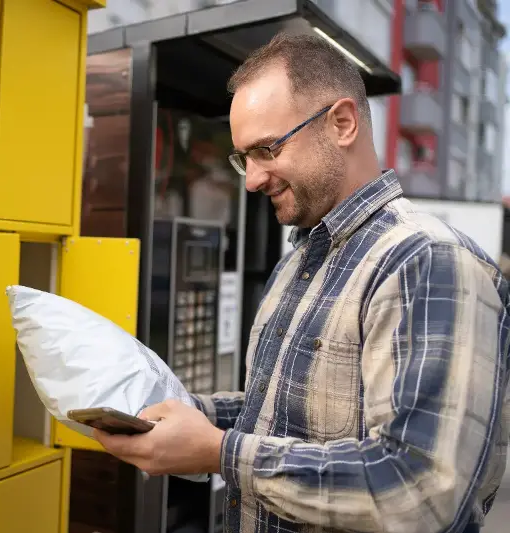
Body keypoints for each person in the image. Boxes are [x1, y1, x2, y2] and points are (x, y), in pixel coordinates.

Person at [95, 32, 510, 533]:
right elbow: (287, 416)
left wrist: (218, 451)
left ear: (342, 122)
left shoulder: (427, 261)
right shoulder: (299, 261)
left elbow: (418, 489)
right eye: (242, 158)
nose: (250, 179)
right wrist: (181, 413)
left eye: (266, 149)